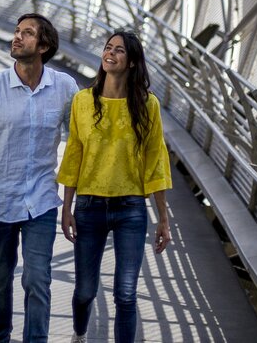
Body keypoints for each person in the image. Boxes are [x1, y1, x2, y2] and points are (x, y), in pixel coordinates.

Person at [0, 13, 78, 343]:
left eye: (26, 33)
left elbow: (77, 147)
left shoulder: (65, 88)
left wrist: (70, 205)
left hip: (41, 201)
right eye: (16, 31)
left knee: (38, 278)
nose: (16, 37)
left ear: (43, 46)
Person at [57, 30, 172, 343]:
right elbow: (73, 155)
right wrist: (66, 208)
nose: (110, 53)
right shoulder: (82, 101)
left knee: (126, 294)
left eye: (119, 50)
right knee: (84, 292)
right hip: (89, 207)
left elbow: (155, 162)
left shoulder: (148, 106)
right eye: (108, 48)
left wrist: (163, 219)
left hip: (130, 209)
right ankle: (79, 334)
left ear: (132, 62)